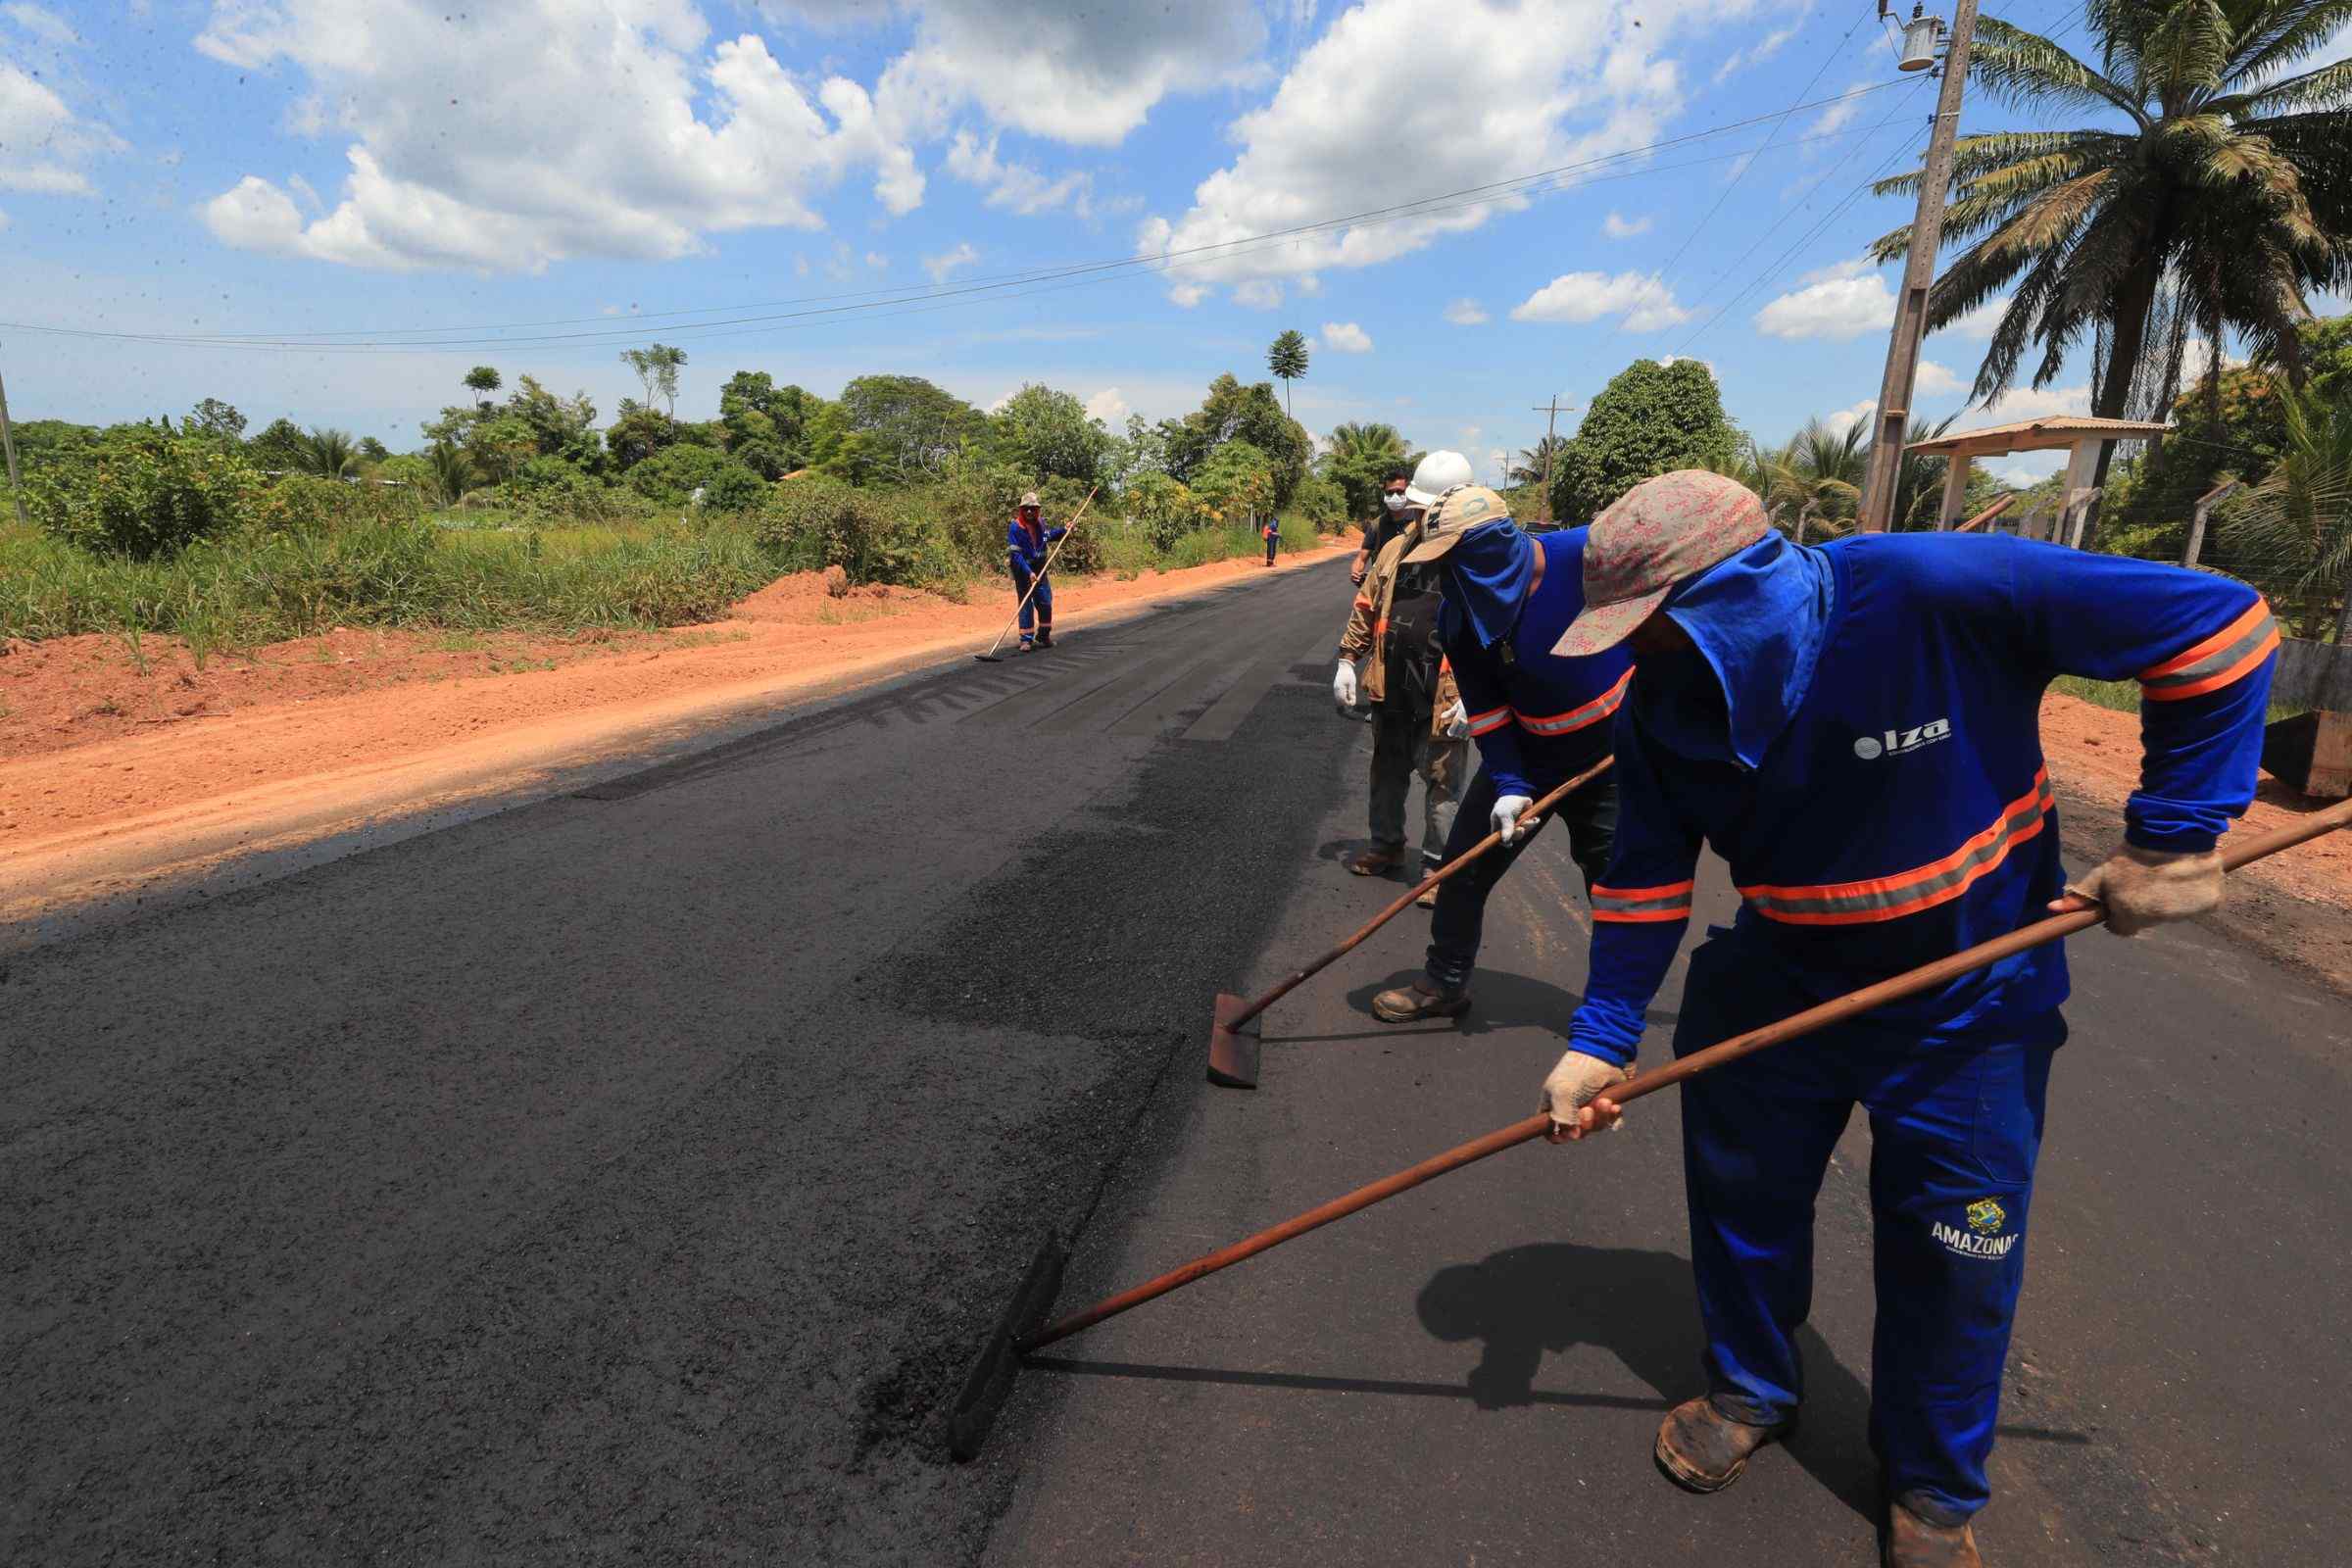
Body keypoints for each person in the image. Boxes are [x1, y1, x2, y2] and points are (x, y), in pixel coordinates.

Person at [1536, 471, 2278, 1568]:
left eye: (1649, 630)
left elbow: (2221, 625)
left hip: (1971, 997)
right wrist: (1598, 1036)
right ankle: (1749, 1382)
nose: (1633, 658)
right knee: (1742, 1197)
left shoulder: (1937, 591)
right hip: (1782, 979)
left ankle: (1932, 1483)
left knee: (1958, 1250)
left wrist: (2175, 831)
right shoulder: (1663, 709)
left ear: (1734, 596)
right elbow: (1645, 880)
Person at [1365, 471, 1633, 1022]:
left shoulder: (1583, 555)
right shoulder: (1459, 615)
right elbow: (1486, 708)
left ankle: (1611, 1019)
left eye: (1456, 558)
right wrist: (1510, 784)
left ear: (1493, 543)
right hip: (1530, 758)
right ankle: (1444, 982)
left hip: (1611, 754)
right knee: (1463, 870)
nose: (1449, 575)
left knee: (1613, 891)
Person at [1333, 460, 1465, 897]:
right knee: (1386, 774)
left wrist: (1483, 692)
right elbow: (1366, 606)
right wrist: (1347, 659)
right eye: (1420, 508)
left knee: (1443, 785)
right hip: (1391, 686)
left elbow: (1501, 628)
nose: (1422, 516)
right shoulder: (1395, 549)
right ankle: (1387, 846)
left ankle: (1436, 870)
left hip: (1445, 692)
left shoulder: (1474, 558)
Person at [1005, 490, 1066, 651]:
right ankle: (1026, 639)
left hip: (1040, 569)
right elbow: (1016, 555)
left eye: (1033, 508)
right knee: (1026, 603)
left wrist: (1064, 530)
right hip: (1023, 570)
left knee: (1045, 601)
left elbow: (1048, 536)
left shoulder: (1041, 524)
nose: (1030, 511)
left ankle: (1044, 635)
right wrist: (1028, 572)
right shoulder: (1015, 528)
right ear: (1021, 510)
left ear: (1037, 509)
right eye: (1026, 508)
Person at [1350, 463, 1421, 587]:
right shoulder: (1377, 525)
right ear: (1384, 494)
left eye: (1400, 492)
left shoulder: (1419, 522)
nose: (1395, 496)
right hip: (1382, 590)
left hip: (1413, 591)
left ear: (1408, 491)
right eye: (1390, 492)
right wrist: (1356, 571)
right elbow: (1362, 558)